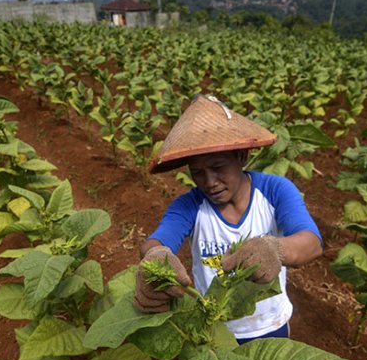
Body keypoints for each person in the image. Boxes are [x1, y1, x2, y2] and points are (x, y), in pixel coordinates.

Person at [133, 95, 322, 344]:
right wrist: (154, 258)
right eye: (198, 172)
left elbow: (311, 242)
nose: (209, 182)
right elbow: (157, 240)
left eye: (218, 167)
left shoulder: (275, 190)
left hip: (271, 325)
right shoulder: (190, 205)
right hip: (215, 330)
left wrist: (275, 248)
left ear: (242, 157)